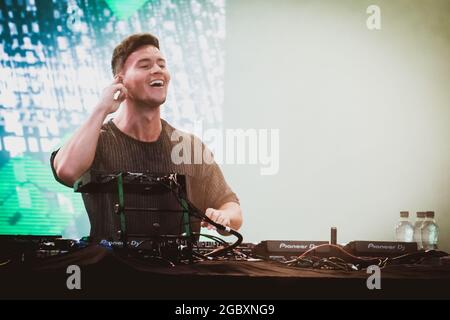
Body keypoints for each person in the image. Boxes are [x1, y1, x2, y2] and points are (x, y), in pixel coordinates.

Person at [50, 33, 242, 241]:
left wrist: (224, 217)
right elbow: (66, 171)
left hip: (182, 271)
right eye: (144, 65)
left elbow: (231, 206)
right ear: (120, 81)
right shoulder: (98, 141)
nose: (157, 70)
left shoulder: (189, 147)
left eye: (162, 64)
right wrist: (101, 109)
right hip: (112, 268)